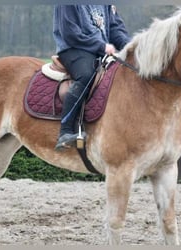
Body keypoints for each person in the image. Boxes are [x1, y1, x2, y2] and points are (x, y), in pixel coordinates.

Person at [53, 5, 130, 151]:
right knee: (87, 75)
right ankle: (65, 131)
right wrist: (101, 46)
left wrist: (131, 47)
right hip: (74, 48)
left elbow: (115, 29)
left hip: (100, 50)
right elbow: (70, 34)